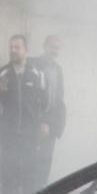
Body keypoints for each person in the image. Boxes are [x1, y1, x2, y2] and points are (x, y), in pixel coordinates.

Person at [0, 34, 48, 194]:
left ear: (26, 50)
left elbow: (46, 101)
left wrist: (44, 123)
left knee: (30, 168)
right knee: (8, 167)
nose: (13, 50)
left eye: (17, 47)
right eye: (11, 47)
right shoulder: (3, 72)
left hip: (30, 131)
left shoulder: (37, 74)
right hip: (9, 131)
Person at [31, 34, 65, 185]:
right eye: (52, 47)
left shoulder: (58, 69)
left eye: (57, 48)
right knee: (31, 161)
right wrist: (41, 122)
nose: (55, 51)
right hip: (34, 124)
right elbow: (31, 98)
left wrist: (53, 124)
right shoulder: (33, 65)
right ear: (44, 46)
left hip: (51, 125)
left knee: (45, 162)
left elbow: (58, 100)